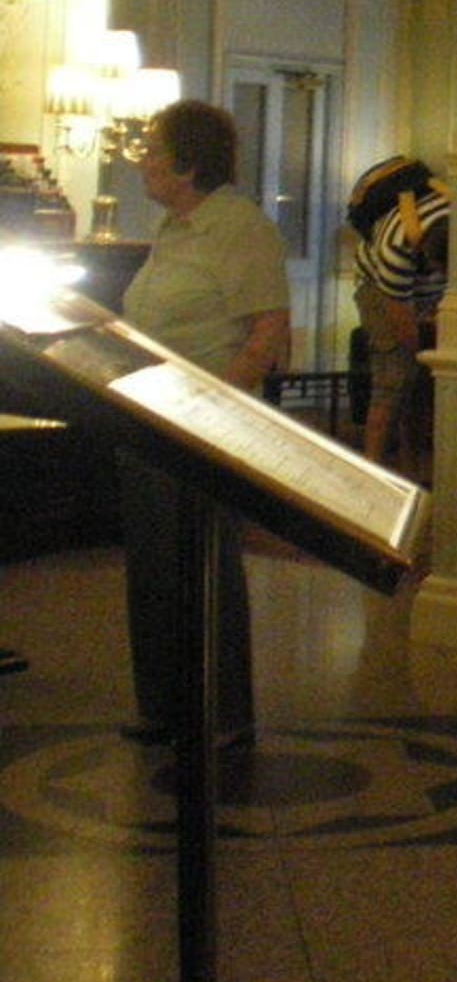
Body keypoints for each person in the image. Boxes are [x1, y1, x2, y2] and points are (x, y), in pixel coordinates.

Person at [118, 99, 289, 748]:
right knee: (153, 565)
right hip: (148, 416)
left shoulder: (239, 228)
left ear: (188, 165)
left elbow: (267, 333)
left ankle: (221, 712)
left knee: (203, 567)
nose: (144, 162)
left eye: (154, 151)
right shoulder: (173, 228)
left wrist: (213, 405)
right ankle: (163, 706)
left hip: (203, 427)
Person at [347, 156, 449, 469]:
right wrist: (420, 354)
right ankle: (372, 468)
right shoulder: (397, 246)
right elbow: (401, 320)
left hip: (426, 299)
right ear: (424, 253)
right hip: (377, 290)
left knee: (422, 384)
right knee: (394, 377)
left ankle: (411, 466)